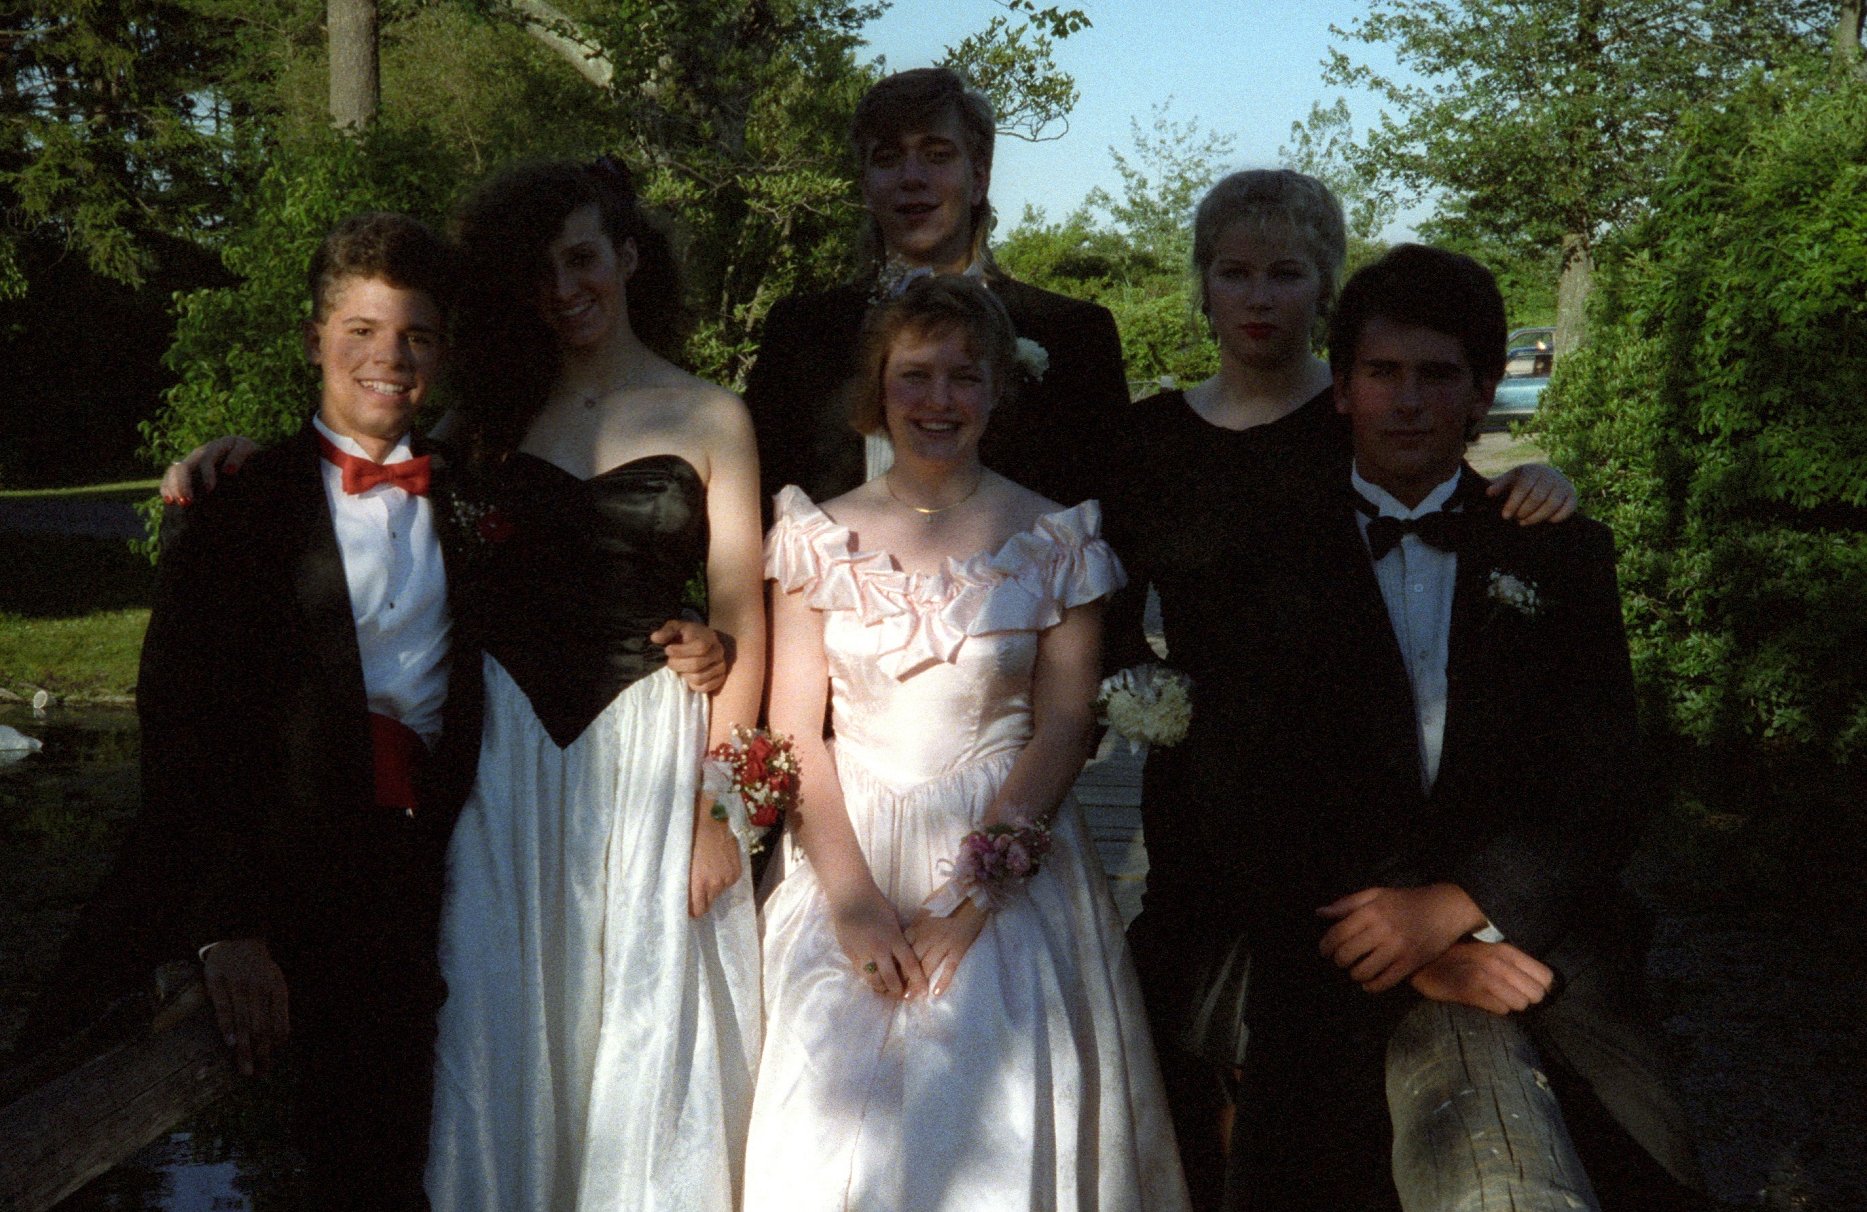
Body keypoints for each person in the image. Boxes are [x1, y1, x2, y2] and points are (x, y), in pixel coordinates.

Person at [1097, 169, 1579, 1207]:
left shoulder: (1360, 406)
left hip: (1372, 808)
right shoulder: (1148, 436)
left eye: (1286, 272)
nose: (1259, 297)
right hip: (1220, 787)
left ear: (1324, 286)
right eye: (1234, 273)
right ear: (1203, 285)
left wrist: (1543, 486)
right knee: (1197, 1043)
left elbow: (1458, 485)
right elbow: (1098, 602)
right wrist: (1138, 699)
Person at [1197, 244, 1705, 1210]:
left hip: (1536, 933)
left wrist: (1459, 906)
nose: (1408, 401)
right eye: (1382, 374)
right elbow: (1234, 790)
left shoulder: (1560, 553)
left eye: (1438, 376)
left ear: (1481, 394)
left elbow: (1607, 781)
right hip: (1330, 930)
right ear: (1340, 389)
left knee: (1652, 1161)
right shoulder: (1258, 558)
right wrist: (1411, 946)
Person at [746, 275, 1189, 1211]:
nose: (938, 401)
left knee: (994, 1098)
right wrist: (854, 899)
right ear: (876, 387)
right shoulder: (815, 534)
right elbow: (794, 726)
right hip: (850, 841)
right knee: (827, 1126)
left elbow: (1064, 727)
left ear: (997, 389)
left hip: (1004, 851)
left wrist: (972, 900)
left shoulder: (1056, 536)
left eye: (963, 376)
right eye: (914, 376)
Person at [419, 158, 765, 1211]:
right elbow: (356, 479)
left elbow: (747, 616)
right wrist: (233, 461)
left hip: (652, 747)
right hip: (510, 757)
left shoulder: (713, 416)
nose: (564, 288)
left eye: (581, 258)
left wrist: (723, 812)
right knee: (502, 1003)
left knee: (648, 1011)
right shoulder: (487, 417)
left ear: (626, 255)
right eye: (538, 270)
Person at [129, 213, 480, 1211]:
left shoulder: (466, 497)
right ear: (314, 338)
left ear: (442, 353)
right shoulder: (242, 501)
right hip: (293, 884)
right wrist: (226, 925)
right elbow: (181, 724)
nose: (388, 356)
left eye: (414, 334)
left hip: (441, 882)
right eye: (361, 329)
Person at [745, 66, 1127, 515]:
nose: (912, 177)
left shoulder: (1074, 335)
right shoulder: (800, 335)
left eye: (937, 154)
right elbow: (759, 515)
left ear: (979, 179)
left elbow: (1112, 528)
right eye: (888, 158)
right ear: (865, 185)